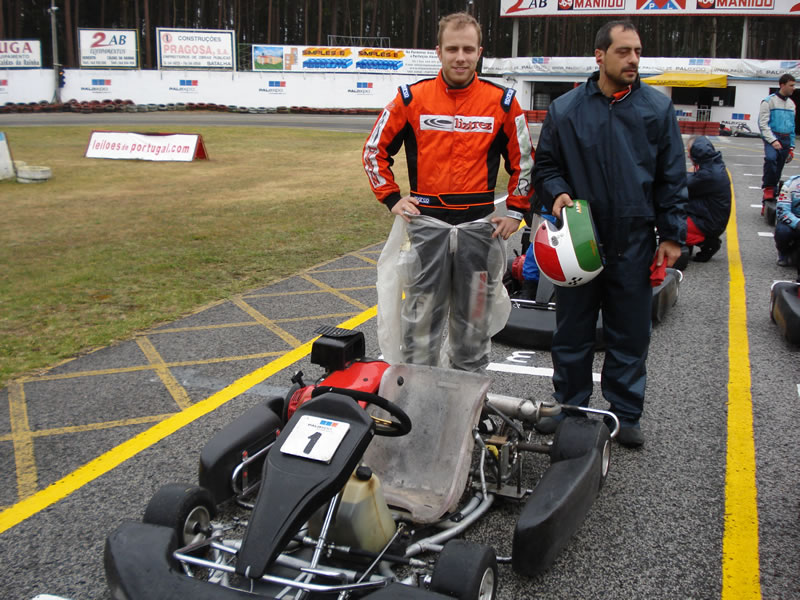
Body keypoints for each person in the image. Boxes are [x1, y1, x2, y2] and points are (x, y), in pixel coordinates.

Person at [532, 20, 687, 448]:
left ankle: (626, 412)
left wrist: (671, 235)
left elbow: (672, 177)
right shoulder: (566, 109)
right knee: (572, 331)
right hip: (579, 239)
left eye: (637, 51)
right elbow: (545, 167)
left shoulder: (657, 109)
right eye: (624, 51)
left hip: (634, 241)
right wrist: (557, 192)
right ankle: (569, 405)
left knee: (631, 333)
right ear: (599, 56)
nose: (633, 59)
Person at [363, 12, 534, 371]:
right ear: (438, 51)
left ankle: (467, 400)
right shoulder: (411, 98)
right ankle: (417, 399)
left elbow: (525, 161)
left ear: (479, 53)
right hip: (427, 229)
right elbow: (373, 151)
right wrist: (392, 198)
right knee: (420, 322)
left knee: (474, 325)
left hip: (479, 233)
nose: (460, 57)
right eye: (452, 49)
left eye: (468, 49)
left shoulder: (503, 102)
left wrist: (516, 211)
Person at [685, 135, 732, 263]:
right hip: (710, 216)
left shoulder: (708, 174)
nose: (688, 156)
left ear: (697, 152)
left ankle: (707, 243)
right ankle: (695, 242)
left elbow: (682, 186)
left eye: (689, 152)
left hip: (710, 223)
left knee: (669, 224)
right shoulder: (713, 165)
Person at [759, 74, 796, 206]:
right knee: (770, 159)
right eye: (791, 85)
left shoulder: (791, 104)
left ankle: (769, 200)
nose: (794, 88)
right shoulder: (768, 101)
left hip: (786, 139)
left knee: (778, 169)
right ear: (782, 85)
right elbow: (763, 124)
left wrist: (791, 147)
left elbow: (792, 126)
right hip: (773, 137)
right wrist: (773, 140)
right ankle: (768, 189)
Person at [775, 175, 800, 269]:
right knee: (783, 231)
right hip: (794, 220)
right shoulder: (790, 184)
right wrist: (797, 223)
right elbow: (782, 211)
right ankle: (783, 252)